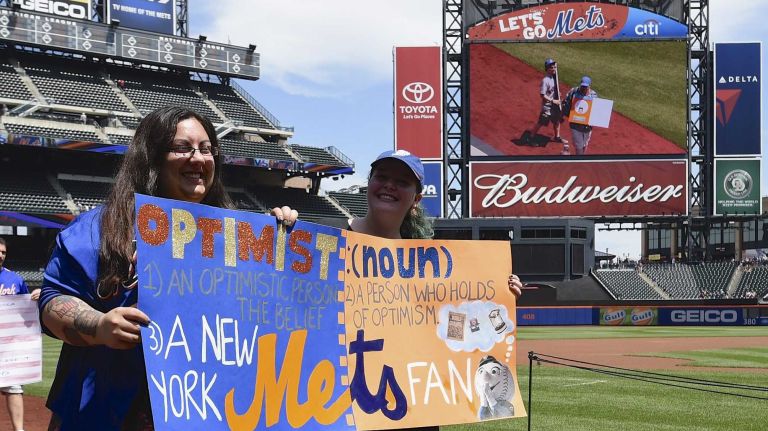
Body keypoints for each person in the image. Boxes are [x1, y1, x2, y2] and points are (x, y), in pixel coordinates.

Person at [38, 106, 297, 430]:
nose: (198, 158)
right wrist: (99, 324)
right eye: (182, 148)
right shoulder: (97, 229)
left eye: (206, 149)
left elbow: (274, 312)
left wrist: (281, 237)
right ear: (152, 156)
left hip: (208, 411)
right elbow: (52, 302)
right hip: (105, 414)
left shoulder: (239, 238)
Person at [320, 149, 523, 431]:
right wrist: (280, 226)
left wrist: (500, 296)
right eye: (382, 176)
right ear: (370, 184)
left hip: (413, 409)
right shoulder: (324, 238)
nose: (390, 184)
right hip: (340, 404)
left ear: (416, 199)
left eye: (402, 181)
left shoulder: (430, 264)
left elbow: (457, 329)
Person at [0, 237, 39, 431]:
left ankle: (19, 429)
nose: (0, 255)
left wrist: (36, 296)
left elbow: (26, 307)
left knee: (14, 387)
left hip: (8, 345)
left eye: (3, 252)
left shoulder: (15, 279)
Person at [520, 58, 568, 148]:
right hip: (547, 106)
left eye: (554, 67)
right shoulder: (545, 80)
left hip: (555, 104)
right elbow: (542, 95)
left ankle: (557, 137)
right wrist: (553, 100)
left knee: (557, 121)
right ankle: (530, 138)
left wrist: (558, 94)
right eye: (552, 67)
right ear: (548, 69)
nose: (554, 69)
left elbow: (553, 90)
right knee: (541, 122)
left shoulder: (554, 77)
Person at [563, 76, 598, 155]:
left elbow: (596, 111)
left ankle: (581, 159)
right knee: (579, 147)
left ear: (589, 86)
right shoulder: (573, 91)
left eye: (586, 86)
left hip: (588, 127)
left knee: (585, 145)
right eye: (582, 86)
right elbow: (565, 103)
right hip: (575, 126)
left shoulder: (593, 95)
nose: (584, 88)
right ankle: (580, 162)